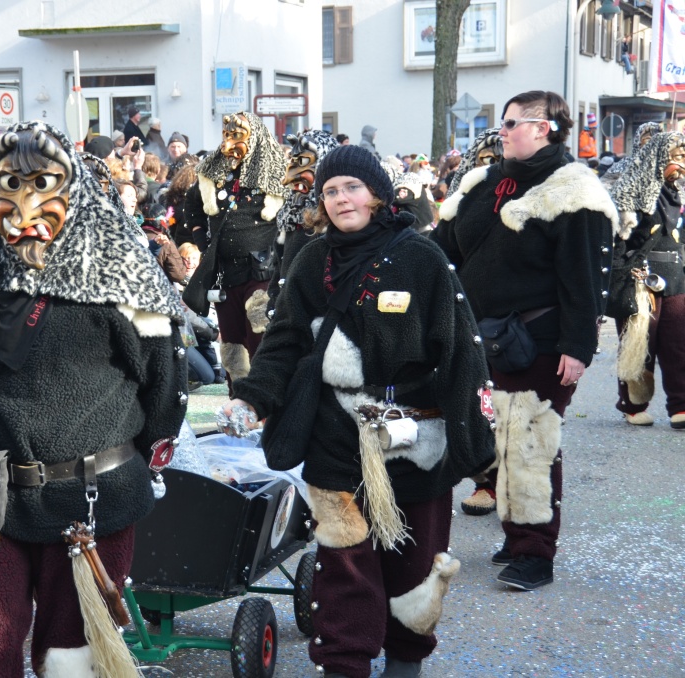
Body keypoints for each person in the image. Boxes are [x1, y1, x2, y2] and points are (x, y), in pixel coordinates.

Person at [0, 121, 186, 676]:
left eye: (42, 186)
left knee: (74, 658)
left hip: (91, 497)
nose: (23, 206)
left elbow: (164, 387)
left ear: (72, 189)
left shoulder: (124, 275)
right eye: (8, 186)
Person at [219, 144, 495, 678]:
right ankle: (345, 665)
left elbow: (462, 350)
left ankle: (405, 662)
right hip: (335, 435)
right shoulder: (310, 260)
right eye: (330, 190)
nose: (342, 198)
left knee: (414, 558)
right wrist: (252, 396)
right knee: (344, 563)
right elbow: (283, 343)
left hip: (414, 437)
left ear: (377, 193)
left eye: (352, 187)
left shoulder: (422, 257)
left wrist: (475, 444)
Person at [432, 90, 617, 590]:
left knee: (530, 443)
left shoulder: (575, 191)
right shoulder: (481, 183)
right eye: (503, 121)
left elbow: (586, 279)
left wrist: (578, 348)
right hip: (476, 338)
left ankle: (535, 551)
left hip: (538, 339)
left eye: (513, 122)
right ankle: (517, 536)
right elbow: (439, 252)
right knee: (494, 440)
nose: (503, 130)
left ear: (545, 128)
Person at [182, 111, 288, 385]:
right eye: (226, 135)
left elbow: (293, 215)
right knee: (231, 339)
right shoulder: (213, 170)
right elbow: (192, 204)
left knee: (259, 332)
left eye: (236, 135)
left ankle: (264, 394)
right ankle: (238, 396)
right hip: (226, 272)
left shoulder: (275, 171)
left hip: (262, 271)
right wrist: (202, 241)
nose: (229, 143)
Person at [608, 131, 685, 429]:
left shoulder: (679, 189)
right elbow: (620, 241)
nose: (681, 165)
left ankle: (680, 404)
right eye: (676, 159)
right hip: (641, 278)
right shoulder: (632, 191)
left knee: (678, 343)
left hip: (677, 275)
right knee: (640, 344)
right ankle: (633, 404)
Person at [267, 129, 338, 316]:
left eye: (303, 163)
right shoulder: (290, 213)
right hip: (288, 311)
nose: (289, 177)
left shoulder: (337, 219)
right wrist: (274, 298)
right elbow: (280, 264)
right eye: (292, 162)